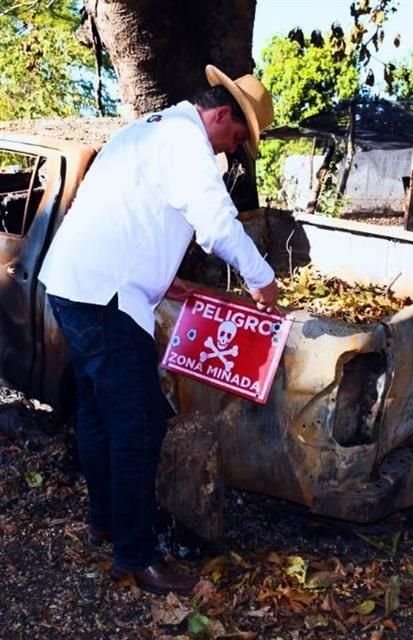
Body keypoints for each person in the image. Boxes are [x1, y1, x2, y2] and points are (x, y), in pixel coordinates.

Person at [38, 64, 279, 596]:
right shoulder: (186, 142)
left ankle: (107, 520)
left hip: (76, 284)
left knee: (100, 416)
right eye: (236, 139)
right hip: (105, 298)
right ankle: (137, 555)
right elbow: (217, 225)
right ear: (220, 115)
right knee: (139, 428)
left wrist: (165, 283)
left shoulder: (146, 129)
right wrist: (264, 283)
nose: (231, 152)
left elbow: (132, 217)